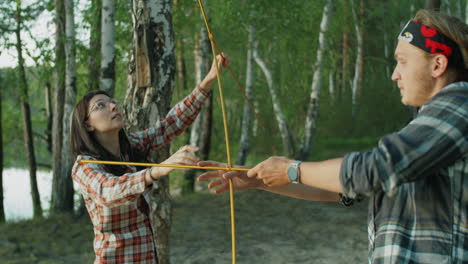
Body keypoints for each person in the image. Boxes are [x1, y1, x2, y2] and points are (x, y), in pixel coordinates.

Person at [198, 10, 468, 264]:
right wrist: (257, 179)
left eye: (402, 61)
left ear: (438, 64)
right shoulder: (427, 129)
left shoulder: (459, 107)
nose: (394, 74)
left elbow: (371, 170)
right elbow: (338, 186)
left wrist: (292, 170)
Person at [70, 54, 228, 263]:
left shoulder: (130, 146)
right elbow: (109, 191)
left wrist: (208, 80)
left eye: (112, 102)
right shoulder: (84, 165)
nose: (113, 106)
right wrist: (156, 171)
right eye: (101, 106)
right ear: (87, 124)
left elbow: (171, 123)